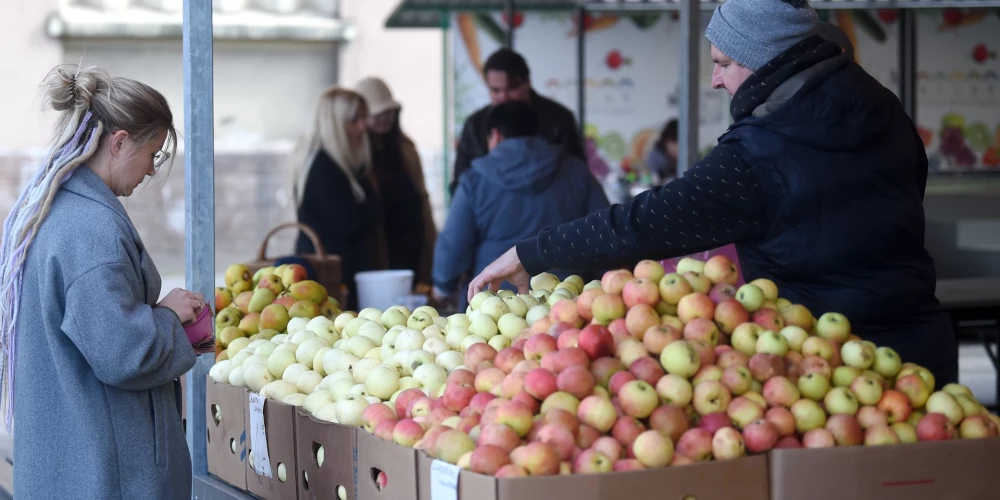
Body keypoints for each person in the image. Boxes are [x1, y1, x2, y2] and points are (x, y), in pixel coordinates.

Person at [469, 0, 958, 387]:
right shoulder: (883, 106)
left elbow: (645, 224)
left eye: (724, 63)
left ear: (766, 60)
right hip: (924, 350)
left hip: (828, 364)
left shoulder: (761, 151)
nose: (715, 79)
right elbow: (912, 188)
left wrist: (529, 253)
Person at [1, 64, 204, 499]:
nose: (151, 170)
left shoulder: (49, 210)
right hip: (107, 478)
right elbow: (123, 352)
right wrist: (169, 315)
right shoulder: (91, 231)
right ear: (119, 142)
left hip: (65, 465)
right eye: (154, 153)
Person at [433, 101, 609, 306]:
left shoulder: (474, 180)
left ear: (495, 135)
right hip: (566, 300)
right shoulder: (578, 172)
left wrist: (443, 286)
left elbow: (454, 244)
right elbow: (604, 231)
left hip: (494, 306)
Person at [291, 87, 387, 311]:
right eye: (354, 120)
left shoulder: (330, 164)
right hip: (333, 282)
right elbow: (351, 223)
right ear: (333, 125)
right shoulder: (324, 169)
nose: (363, 127)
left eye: (363, 118)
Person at [451, 48, 585, 196]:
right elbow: (460, 183)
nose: (503, 97)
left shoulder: (559, 119)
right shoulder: (475, 125)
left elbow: (578, 177)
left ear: (527, 82)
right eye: (496, 90)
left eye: (511, 89)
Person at [354, 77, 437, 286]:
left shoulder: (405, 148)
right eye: (377, 113)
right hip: (376, 252)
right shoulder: (355, 157)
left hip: (412, 245)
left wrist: (432, 243)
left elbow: (422, 198)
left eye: (389, 111)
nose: (385, 118)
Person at [645, 119, 678, 183]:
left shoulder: (689, 158)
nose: (678, 148)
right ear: (667, 142)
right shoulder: (655, 160)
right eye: (675, 142)